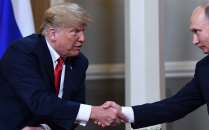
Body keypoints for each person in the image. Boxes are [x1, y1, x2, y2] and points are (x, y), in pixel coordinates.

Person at [101, 1, 209, 130]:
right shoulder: (206, 69)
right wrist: (123, 112)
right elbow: (175, 106)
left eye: (197, 31)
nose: (194, 41)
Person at [0, 2, 127, 130]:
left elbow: (74, 110)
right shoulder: (22, 52)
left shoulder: (80, 62)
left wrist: (45, 128)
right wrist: (93, 112)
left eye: (83, 31)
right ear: (53, 34)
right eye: (75, 32)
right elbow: (39, 101)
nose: (82, 38)